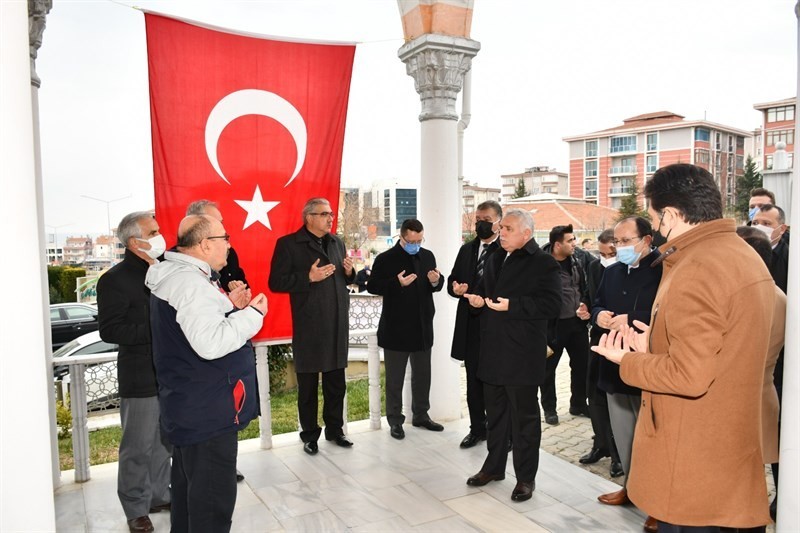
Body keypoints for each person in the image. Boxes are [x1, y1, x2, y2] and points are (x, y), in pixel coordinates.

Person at [593, 163, 775, 531]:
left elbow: (689, 375)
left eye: (655, 219)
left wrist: (631, 359)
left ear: (672, 215)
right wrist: (656, 342)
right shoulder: (739, 253)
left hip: (692, 459)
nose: (656, 228)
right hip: (725, 448)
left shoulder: (698, 266)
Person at [146, 214, 267, 532]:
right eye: (224, 237)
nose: (229, 244)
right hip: (208, 412)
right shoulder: (190, 283)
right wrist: (253, 315)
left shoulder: (178, 275)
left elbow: (196, 328)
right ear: (204, 244)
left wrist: (230, 309)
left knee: (189, 499)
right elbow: (210, 344)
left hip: (191, 406)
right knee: (212, 506)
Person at [463, 209, 561, 502]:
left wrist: (513, 306)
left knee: (524, 422)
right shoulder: (494, 257)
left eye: (507, 228)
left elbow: (553, 305)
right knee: (496, 418)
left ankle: (526, 478)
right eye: (500, 227)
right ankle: (493, 468)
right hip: (492, 352)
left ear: (526, 234)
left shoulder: (543, 263)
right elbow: (485, 292)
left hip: (521, 356)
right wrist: (476, 299)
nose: (500, 232)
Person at [97, 211, 171, 533]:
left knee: (163, 442)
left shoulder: (165, 271)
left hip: (170, 371)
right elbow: (110, 330)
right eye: (152, 232)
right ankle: (135, 508)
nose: (159, 236)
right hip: (139, 374)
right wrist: (155, 330)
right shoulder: (113, 280)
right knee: (137, 446)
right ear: (134, 241)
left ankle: (158, 495)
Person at [591, 217, 662, 533]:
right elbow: (595, 304)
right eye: (616, 242)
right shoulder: (611, 271)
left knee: (652, 440)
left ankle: (658, 503)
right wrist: (599, 316)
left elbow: (667, 314)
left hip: (647, 366)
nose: (619, 247)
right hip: (613, 365)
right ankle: (631, 489)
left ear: (646, 239)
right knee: (625, 436)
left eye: (625, 241)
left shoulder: (664, 270)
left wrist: (630, 318)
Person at [269, 198, 355, 454]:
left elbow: (344, 278)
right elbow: (276, 281)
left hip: (337, 323)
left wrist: (350, 272)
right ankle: (309, 435)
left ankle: (335, 430)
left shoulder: (337, 242)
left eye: (331, 214)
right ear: (308, 217)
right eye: (324, 214)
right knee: (307, 387)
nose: (330, 218)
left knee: (336, 384)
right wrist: (308, 277)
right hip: (309, 326)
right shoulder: (288, 244)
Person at [186, 199, 248, 482]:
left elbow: (238, 279)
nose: (226, 236)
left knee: (227, 416)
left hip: (227, 352)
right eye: (219, 229)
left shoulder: (227, 256)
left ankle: (225, 465)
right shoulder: (184, 275)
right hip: (199, 363)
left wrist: (236, 291)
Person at [368, 218, 444, 439]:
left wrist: (435, 281)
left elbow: (437, 285)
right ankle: (395, 420)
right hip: (396, 329)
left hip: (422, 326)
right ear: (401, 237)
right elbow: (372, 285)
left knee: (423, 375)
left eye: (420, 240)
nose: (416, 245)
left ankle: (421, 414)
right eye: (412, 241)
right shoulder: (385, 258)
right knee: (395, 379)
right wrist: (396, 283)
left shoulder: (427, 255)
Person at [737, 225, 787, 521]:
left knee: (744, 486)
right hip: (760, 397)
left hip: (745, 401)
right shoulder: (777, 294)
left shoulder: (754, 296)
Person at [447, 200, 503, 448]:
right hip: (470, 325)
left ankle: (501, 433)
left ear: (499, 222)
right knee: (473, 382)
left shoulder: (506, 252)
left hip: (495, 326)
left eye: (486, 220)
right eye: (478, 220)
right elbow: (454, 279)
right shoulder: (467, 249)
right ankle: (477, 428)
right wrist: (455, 287)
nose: (481, 224)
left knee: (497, 384)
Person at [580, 228, 623, 479]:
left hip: (622, 344)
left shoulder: (629, 271)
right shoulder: (595, 268)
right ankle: (601, 444)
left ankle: (619, 454)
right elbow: (591, 296)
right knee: (594, 394)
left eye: (612, 253)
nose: (606, 258)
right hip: (597, 339)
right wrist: (586, 309)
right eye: (602, 253)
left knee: (614, 398)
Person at [541, 224, 591, 425]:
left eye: (574, 239)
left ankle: (578, 403)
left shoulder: (578, 260)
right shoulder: (541, 265)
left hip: (576, 324)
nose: (574, 244)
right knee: (547, 368)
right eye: (570, 241)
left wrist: (586, 304)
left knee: (581, 365)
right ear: (557, 244)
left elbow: (584, 287)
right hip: (552, 326)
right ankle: (549, 408)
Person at [752, 203, 789, 294]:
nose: (759, 228)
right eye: (755, 223)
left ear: (782, 229)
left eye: (766, 224)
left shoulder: (790, 258)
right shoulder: (744, 251)